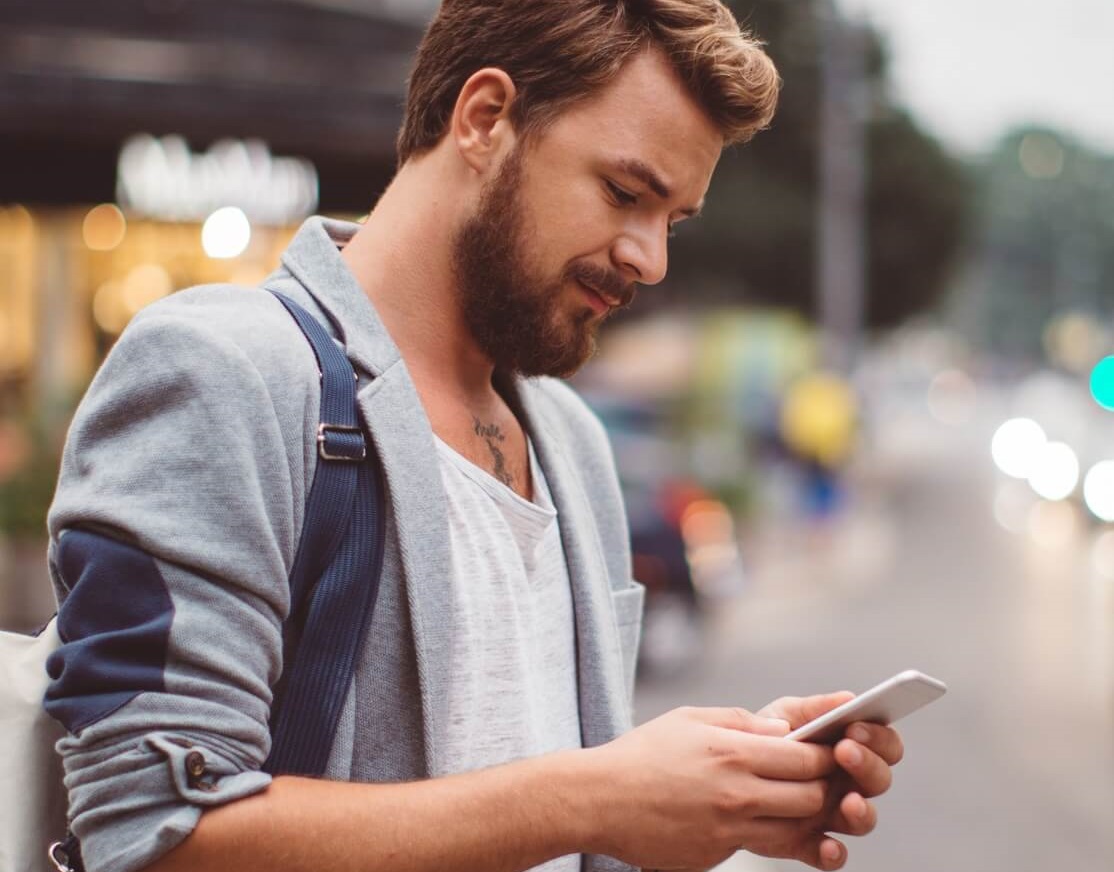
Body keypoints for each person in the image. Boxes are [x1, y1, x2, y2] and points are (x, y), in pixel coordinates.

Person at [43, 2, 904, 872]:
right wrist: (599, 797)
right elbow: (150, 836)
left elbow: (537, 810)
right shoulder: (225, 372)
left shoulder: (572, 445)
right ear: (485, 118)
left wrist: (717, 789)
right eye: (625, 193)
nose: (651, 258)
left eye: (672, 220)